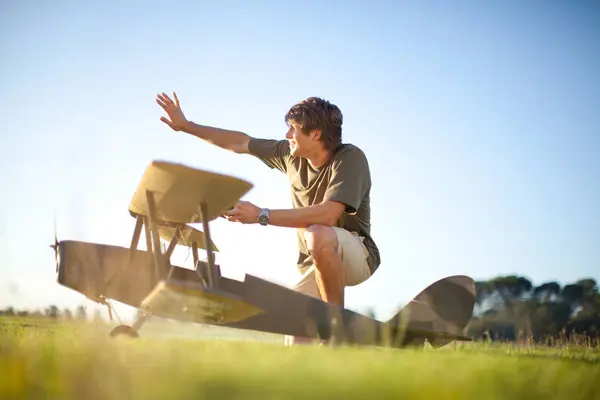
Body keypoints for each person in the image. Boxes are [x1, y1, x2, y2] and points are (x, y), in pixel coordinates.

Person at [156, 91, 381, 344]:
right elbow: (241, 143)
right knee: (295, 334)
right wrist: (187, 126)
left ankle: (337, 330)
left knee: (317, 232)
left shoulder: (350, 158)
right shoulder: (288, 154)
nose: (287, 136)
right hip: (314, 264)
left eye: (292, 129)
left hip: (357, 255)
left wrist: (261, 215)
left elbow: (328, 215)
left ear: (315, 134)